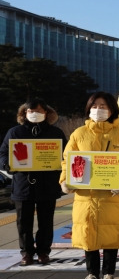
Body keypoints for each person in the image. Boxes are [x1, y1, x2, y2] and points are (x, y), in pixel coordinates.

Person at [60, 92, 119, 279]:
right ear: (89, 109)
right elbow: (67, 160)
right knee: (89, 235)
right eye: (95, 106)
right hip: (86, 196)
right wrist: (65, 180)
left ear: (112, 109)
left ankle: (108, 274)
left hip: (111, 195)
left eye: (103, 106)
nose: (99, 110)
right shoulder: (79, 134)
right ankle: (91, 274)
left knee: (110, 233)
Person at [0, 99, 67, 266]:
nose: (34, 114)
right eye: (30, 111)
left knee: (46, 220)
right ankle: (27, 253)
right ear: (24, 114)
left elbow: (66, 155)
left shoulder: (55, 133)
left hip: (48, 183)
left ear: (47, 113)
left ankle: (43, 251)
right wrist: (7, 165)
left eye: (39, 111)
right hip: (23, 183)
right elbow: (3, 153)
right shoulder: (15, 132)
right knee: (23, 221)